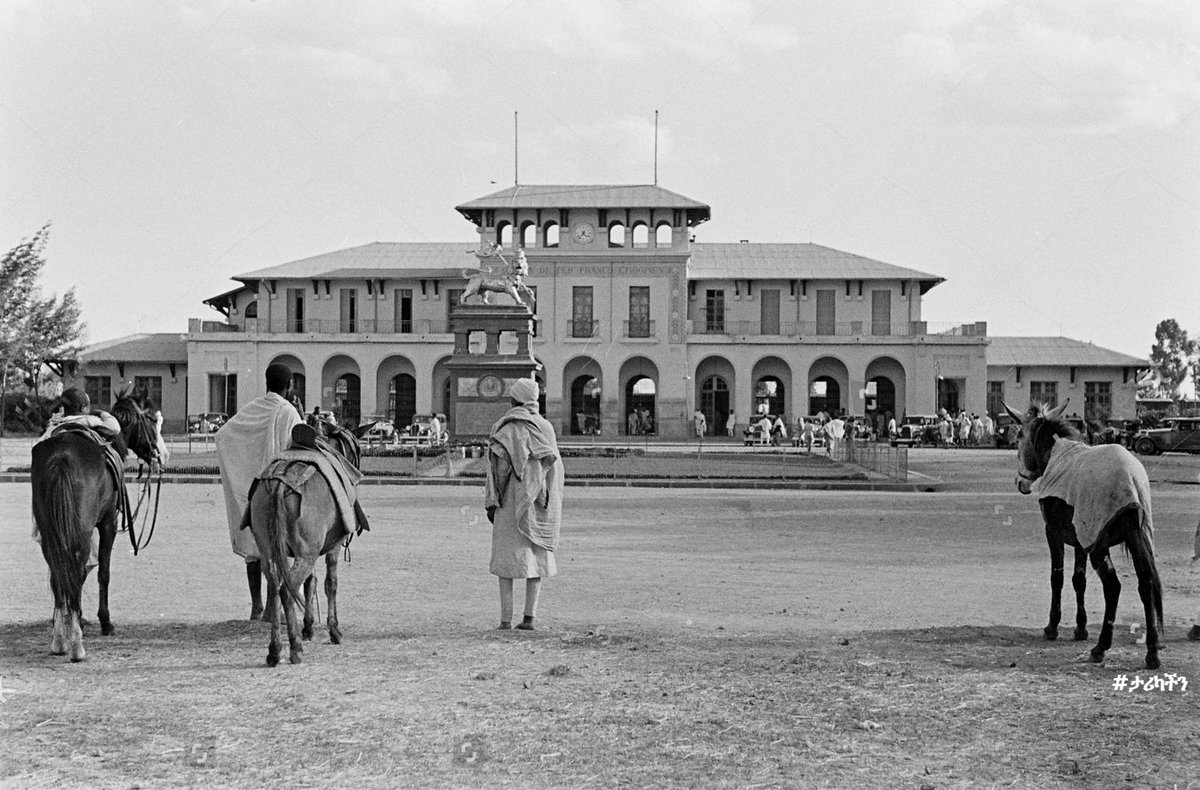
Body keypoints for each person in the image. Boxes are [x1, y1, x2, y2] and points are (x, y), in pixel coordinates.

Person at [215, 364, 303, 620]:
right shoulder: (288, 411)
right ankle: (272, 606)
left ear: (267, 383)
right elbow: (299, 446)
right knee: (279, 546)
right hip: (280, 486)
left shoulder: (254, 408)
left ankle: (257, 606)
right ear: (288, 386)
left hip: (254, 489)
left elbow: (224, 435)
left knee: (254, 550)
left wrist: (242, 473)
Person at [484, 378, 564, 631]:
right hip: (536, 498)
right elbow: (555, 468)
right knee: (536, 558)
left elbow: (492, 470)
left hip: (507, 500)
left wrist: (491, 501)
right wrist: (550, 498)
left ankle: (505, 620)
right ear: (535, 401)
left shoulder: (502, 425)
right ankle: (529, 617)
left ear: (513, 400)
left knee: (506, 562)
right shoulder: (544, 427)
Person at [33, 388, 126, 571]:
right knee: (112, 458)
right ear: (83, 407)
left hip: (54, 431)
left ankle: (39, 522)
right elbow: (115, 427)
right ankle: (119, 501)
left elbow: (38, 446)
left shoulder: (54, 426)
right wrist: (102, 413)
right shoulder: (90, 420)